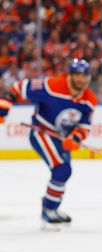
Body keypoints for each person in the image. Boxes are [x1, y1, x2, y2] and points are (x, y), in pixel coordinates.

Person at [0, 58, 96, 230]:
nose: (80, 80)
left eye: (84, 76)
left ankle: (52, 208)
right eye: (77, 75)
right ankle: (48, 210)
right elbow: (18, 88)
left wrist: (76, 137)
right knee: (62, 169)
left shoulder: (89, 100)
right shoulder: (51, 86)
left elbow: (84, 126)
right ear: (70, 75)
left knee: (63, 171)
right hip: (41, 132)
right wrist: (4, 106)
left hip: (61, 139)